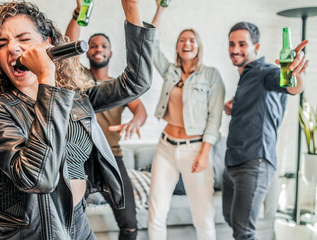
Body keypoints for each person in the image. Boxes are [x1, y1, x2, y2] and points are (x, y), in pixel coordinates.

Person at [0, 1, 155, 239]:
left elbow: (136, 83)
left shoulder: (73, 98)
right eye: (2, 44)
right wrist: (47, 78)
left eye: (23, 39)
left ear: (47, 44)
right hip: (34, 234)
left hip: (79, 222)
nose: (12, 48)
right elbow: (38, 177)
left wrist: (132, 9)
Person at [64, 1, 147, 239]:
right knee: (65, 221)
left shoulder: (117, 88)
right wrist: (79, 12)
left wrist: (135, 122)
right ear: (86, 51)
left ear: (110, 52)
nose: (98, 48)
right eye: (93, 45)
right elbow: (68, 47)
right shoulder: (79, 79)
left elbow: (141, 110)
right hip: (79, 157)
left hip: (111, 157)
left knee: (130, 224)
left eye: (103, 46)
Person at [223, 22, 308, 240]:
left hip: (254, 163)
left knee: (244, 232)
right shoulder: (245, 78)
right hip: (233, 161)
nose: (235, 49)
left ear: (256, 46)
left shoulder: (266, 72)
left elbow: (291, 86)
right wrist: (234, 108)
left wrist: (295, 74)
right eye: (232, 44)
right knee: (231, 220)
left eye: (242, 44)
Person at [148, 3, 225, 240]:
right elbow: (150, 44)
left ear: (198, 46)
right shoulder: (170, 71)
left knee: (203, 215)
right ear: (178, 46)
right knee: (156, 211)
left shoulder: (211, 75)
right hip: (166, 148)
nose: (186, 43)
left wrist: (204, 154)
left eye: (191, 39)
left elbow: (215, 119)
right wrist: (160, 9)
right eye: (182, 40)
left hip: (195, 150)